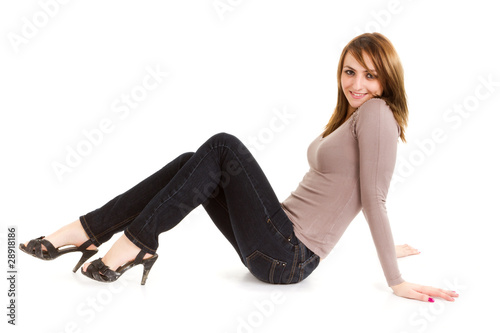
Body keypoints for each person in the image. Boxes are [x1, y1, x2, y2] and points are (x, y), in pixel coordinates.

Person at [20, 32, 458, 303]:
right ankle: (87, 231)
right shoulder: (350, 118)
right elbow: (348, 196)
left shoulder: (377, 113)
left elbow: (374, 195)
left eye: (370, 75)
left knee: (223, 146)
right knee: (193, 163)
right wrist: (386, 245)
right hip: (277, 240)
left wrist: (395, 279)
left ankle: (131, 242)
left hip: (287, 255)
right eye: (349, 72)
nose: (356, 84)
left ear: (387, 81)